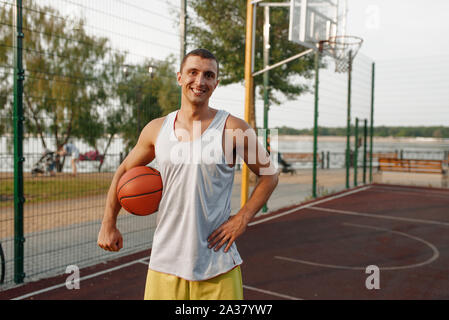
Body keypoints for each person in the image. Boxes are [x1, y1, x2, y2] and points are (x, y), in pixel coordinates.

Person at [97, 48, 279, 300]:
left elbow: (270, 175)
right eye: (192, 72)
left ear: (216, 83)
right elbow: (124, 172)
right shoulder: (156, 129)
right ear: (180, 77)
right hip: (165, 263)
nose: (200, 81)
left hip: (218, 264)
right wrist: (109, 223)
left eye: (208, 75)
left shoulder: (234, 128)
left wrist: (242, 218)